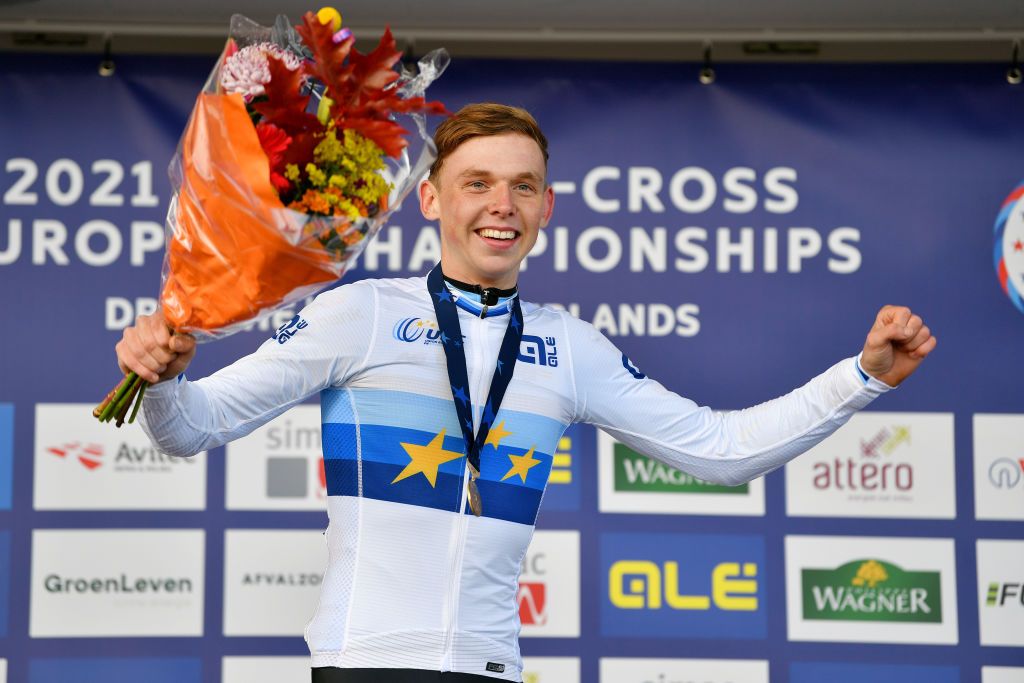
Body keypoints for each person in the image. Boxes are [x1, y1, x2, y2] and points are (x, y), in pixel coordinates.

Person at [117, 103, 936, 683]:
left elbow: (720, 452)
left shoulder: (568, 347)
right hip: (363, 665)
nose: (499, 205)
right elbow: (192, 427)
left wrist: (858, 376)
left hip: (492, 667)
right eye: (476, 183)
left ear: (547, 207)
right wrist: (161, 375)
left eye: (521, 186)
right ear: (432, 199)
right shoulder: (358, 313)